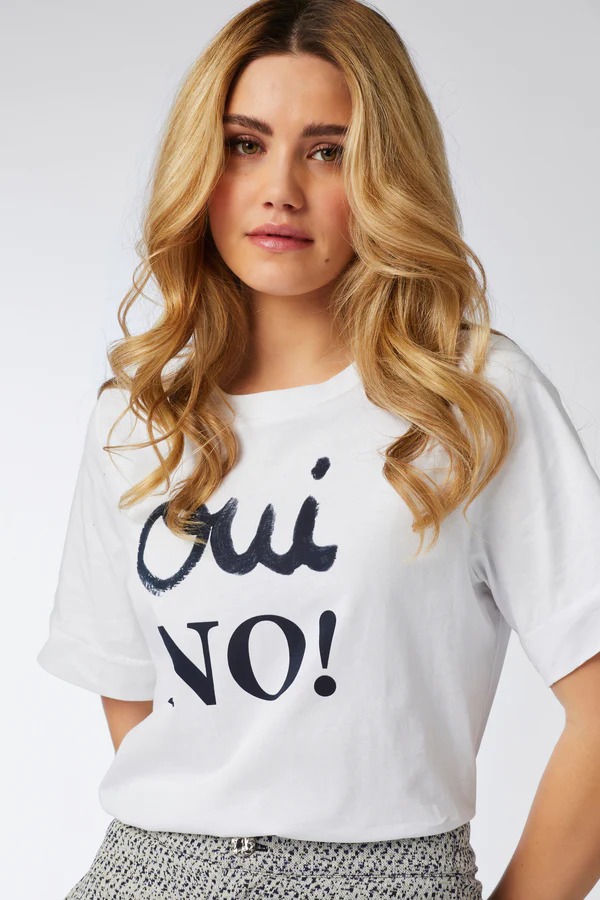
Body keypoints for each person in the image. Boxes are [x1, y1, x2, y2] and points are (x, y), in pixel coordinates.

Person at [37, 1, 600, 898]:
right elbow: (144, 712)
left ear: (385, 173)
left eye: (329, 151)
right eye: (245, 144)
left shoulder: (471, 397)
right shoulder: (140, 417)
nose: (280, 190)